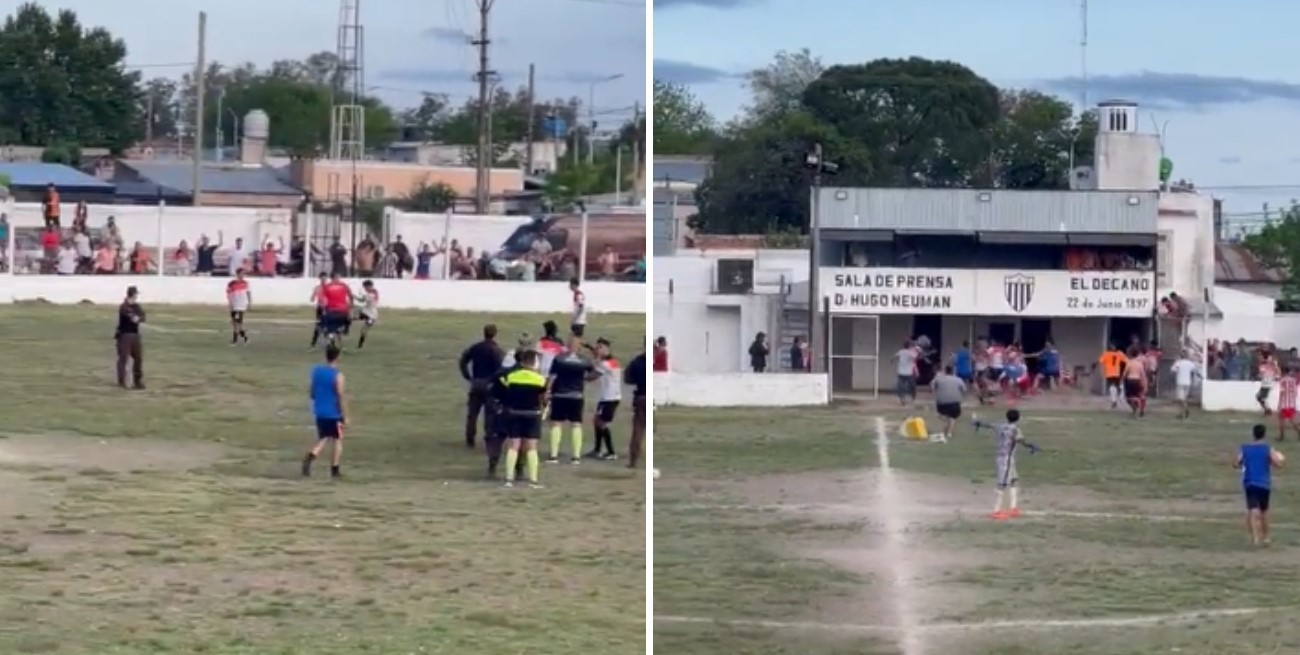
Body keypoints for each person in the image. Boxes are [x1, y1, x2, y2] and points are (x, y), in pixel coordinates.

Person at [499, 349, 547, 488]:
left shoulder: (512, 376)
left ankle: (509, 479)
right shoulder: (540, 379)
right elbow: (543, 397)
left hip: (514, 413)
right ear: (534, 362)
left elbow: (504, 386)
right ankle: (533, 480)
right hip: (532, 414)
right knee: (531, 447)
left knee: (513, 445)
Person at [546, 336, 595, 464]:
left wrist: (547, 391)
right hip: (576, 396)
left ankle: (553, 456)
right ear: (579, 346)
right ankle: (576, 457)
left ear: (567, 345)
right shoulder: (584, 360)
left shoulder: (559, 358)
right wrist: (585, 380)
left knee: (556, 424)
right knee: (576, 424)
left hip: (559, 395)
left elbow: (552, 376)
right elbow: (593, 373)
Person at [1234, 424, 1285, 546]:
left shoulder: (1245, 448)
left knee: (1252, 510)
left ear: (1253, 434)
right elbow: (1277, 464)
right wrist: (1281, 460)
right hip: (1264, 484)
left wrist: (1243, 464)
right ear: (1264, 434)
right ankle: (1266, 537)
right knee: (1264, 512)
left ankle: (1255, 538)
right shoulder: (1267, 448)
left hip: (1250, 482)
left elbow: (1236, 463)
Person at [302, 344, 348, 479]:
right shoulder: (337, 375)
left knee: (324, 437)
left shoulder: (317, 371)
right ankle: (335, 469)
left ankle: (310, 457)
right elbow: (340, 395)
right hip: (334, 413)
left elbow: (312, 391)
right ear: (337, 357)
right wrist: (345, 414)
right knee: (337, 440)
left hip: (320, 411)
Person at [458, 324, 505, 449]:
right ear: (495, 334)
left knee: (472, 413)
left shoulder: (475, 347)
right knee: (490, 414)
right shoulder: (497, 350)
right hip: (489, 384)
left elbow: (463, 360)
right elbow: (501, 369)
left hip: (476, 382)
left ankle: (470, 437)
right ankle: (489, 437)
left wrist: (467, 375)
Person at [991, 409, 1037, 520]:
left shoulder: (1002, 426)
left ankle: (1013, 507)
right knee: (1002, 484)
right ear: (1018, 418)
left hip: (1006, 458)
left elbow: (990, 426)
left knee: (1013, 480)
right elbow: (1021, 441)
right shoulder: (1015, 430)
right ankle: (996, 510)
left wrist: (979, 423)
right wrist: (1030, 446)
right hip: (1006, 459)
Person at [587, 338, 622, 460]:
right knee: (597, 421)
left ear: (607, 349)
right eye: (597, 347)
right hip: (608, 397)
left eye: (600, 347)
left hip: (609, 398)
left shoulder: (606, 364)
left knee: (601, 424)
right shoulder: (612, 361)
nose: (597, 349)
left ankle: (611, 452)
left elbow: (591, 377)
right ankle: (597, 450)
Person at [115, 286, 146, 389]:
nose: (137, 296)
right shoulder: (123, 306)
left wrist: (138, 318)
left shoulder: (137, 306)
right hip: (125, 335)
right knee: (123, 358)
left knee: (138, 358)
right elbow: (129, 316)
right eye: (136, 294)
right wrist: (135, 317)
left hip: (135, 335)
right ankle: (122, 381)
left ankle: (137, 381)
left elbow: (143, 317)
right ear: (132, 294)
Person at [624, 346, 647, 470]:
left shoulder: (636, 361)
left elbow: (627, 378)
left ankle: (633, 460)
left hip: (640, 397)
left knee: (638, 430)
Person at [931, 365, 966, 442]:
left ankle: (946, 431)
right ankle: (949, 433)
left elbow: (932, 387)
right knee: (953, 417)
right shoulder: (958, 380)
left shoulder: (938, 379)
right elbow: (964, 390)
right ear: (953, 371)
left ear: (945, 371)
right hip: (955, 404)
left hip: (942, 404)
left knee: (945, 417)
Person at [319, 273, 352, 347]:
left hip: (332, 311)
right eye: (338, 277)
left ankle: (332, 342)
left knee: (331, 328)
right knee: (338, 327)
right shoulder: (344, 285)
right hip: (342, 311)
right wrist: (350, 307)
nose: (338, 279)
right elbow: (350, 296)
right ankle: (341, 336)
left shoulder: (327, 286)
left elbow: (322, 300)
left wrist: (323, 309)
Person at [1170, 350, 1200, 420]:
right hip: (1188, 382)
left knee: (1181, 399)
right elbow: (1195, 371)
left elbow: (1172, 370)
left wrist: (1175, 363)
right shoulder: (1190, 363)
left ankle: (1186, 411)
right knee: (1183, 399)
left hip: (1180, 382)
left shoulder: (1178, 363)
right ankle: (1181, 414)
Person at [1097, 344, 1127, 409]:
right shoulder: (1119, 354)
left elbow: (1100, 362)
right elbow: (1126, 361)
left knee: (1112, 386)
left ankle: (1115, 400)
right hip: (1116, 373)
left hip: (1109, 373)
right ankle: (1120, 398)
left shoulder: (1106, 354)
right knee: (1118, 385)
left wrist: (1100, 370)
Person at [226, 270, 251, 345]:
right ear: (237, 274)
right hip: (234, 305)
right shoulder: (232, 283)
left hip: (241, 306)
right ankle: (245, 338)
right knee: (235, 324)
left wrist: (249, 303)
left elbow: (248, 293)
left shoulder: (245, 283)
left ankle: (235, 340)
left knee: (238, 324)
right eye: (241, 274)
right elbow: (229, 294)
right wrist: (230, 303)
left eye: (243, 274)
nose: (242, 275)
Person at [354, 279, 379, 349]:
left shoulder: (371, 294)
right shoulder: (373, 292)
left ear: (369, 286)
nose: (365, 289)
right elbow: (363, 300)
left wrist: (355, 296)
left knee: (364, 330)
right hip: (366, 312)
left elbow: (362, 300)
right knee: (355, 314)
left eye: (365, 287)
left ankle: (360, 345)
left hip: (372, 316)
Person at [1123, 346, 1148, 418]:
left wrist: (1123, 381)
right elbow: (1143, 375)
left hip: (1130, 380)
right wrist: (1144, 384)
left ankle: (1134, 408)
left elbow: (1125, 373)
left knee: (1129, 397)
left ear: (1130, 354)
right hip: (1138, 380)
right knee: (1140, 395)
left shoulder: (1129, 363)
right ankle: (1140, 407)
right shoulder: (1140, 364)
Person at [892, 340, 919, 406]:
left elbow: (894, 356)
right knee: (912, 385)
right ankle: (913, 397)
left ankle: (902, 398)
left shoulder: (901, 351)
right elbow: (915, 357)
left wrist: (892, 360)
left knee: (901, 386)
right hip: (908, 373)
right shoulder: (910, 352)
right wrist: (917, 350)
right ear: (909, 346)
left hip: (901, 372)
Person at [308, 273, 329, 349]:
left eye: (325, 278)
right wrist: (314, 297)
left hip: (328, 308)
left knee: (327, 326)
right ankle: (313, 343)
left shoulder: (329, 287)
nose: (323, 280)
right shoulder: (317, 288)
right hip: (320, 308)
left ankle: (327, 343)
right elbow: (312, 298)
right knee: (318, 326)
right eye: (322, 278)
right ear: (320, 279)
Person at [1278, 368, 1298, 441]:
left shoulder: (1283, 380)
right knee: (1292, 420)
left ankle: (1281, 436)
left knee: (1281, 420)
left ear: (1283, 372)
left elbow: (1281, 392)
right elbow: (1295, 393)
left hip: (1284, 404)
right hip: (1292, 404)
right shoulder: (1293, 380)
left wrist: (1279, 403)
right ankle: (1299, 431)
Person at [1258, 352, 1280, 416]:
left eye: (1271, 358)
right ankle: (1267, 410)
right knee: (1259, 397)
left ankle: (1268, 410)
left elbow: (1278, 373)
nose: (1270, 359)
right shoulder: (1264, 366)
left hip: (1268, 384)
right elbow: (1261, 373)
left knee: (1262, 398)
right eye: (1269, 358)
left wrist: (1276, 366)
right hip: (1264, 384)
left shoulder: (1273, 366)